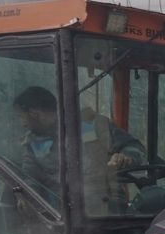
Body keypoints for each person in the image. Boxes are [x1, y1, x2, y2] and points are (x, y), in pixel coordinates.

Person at [14, 86, 145, 211]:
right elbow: (30, 178)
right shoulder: (32, 144)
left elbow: (135, 147)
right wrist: (26, 198)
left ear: (34, 113)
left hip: (109, 212)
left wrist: (126, 156)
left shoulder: (93, 125)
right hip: (62, 218)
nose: (22, 124)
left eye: (21, 117)